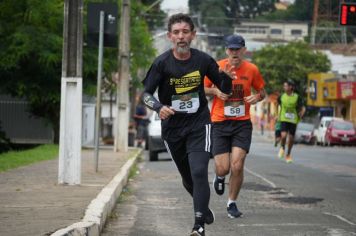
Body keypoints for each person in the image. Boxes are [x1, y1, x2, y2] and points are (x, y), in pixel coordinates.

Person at [142, 13, 233, 236]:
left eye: (185, 32)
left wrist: (227, 79)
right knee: (188, 178)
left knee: (199, 171)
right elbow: (146, 94)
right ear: (169, 36)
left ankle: (198, 225)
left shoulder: (203, 60)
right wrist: (158, 107)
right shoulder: (161, 63)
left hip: (199, 124)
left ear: (193, 35)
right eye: (176, 32)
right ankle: (203, 208)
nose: (181, 36)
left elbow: (225, 88)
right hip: (173, 129)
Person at [204, 34, 266, 219]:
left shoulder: (252, 69)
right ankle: (220, 177)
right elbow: (202, 88)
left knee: (237, 165)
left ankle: (232, 203)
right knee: (223, 168)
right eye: (231, 49)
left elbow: (262, 91)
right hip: (219, 122)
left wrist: (257, 97)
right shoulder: (217, 67)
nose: (234, 53)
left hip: (242, 123)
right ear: (226, 51)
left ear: (244, 50)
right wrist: (215, 90)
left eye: (238, 49)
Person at [277, 80, 305, 163]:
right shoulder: (281, 96)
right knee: (284, 135)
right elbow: (278, 104)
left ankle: (288, 154)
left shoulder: (297, 97)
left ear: (290, 87)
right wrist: (277, 114)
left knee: (291, 138)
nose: (284, 87)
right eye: (284, 86)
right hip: (284, 118)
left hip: (293, 120)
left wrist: (301, 114)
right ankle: (282, 147)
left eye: (285, 86)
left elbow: (303, 108)